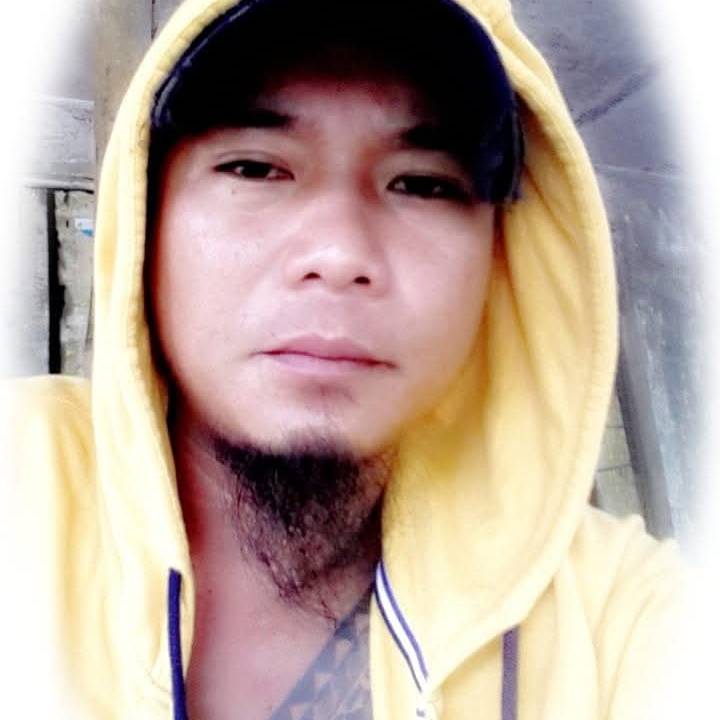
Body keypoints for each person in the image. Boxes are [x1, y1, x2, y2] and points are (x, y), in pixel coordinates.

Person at [3, 0, 686, 718]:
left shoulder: (616, 623)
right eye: (254, 168)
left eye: (422, 183)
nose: (338, 253)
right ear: (148, 217)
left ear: (500, 255)